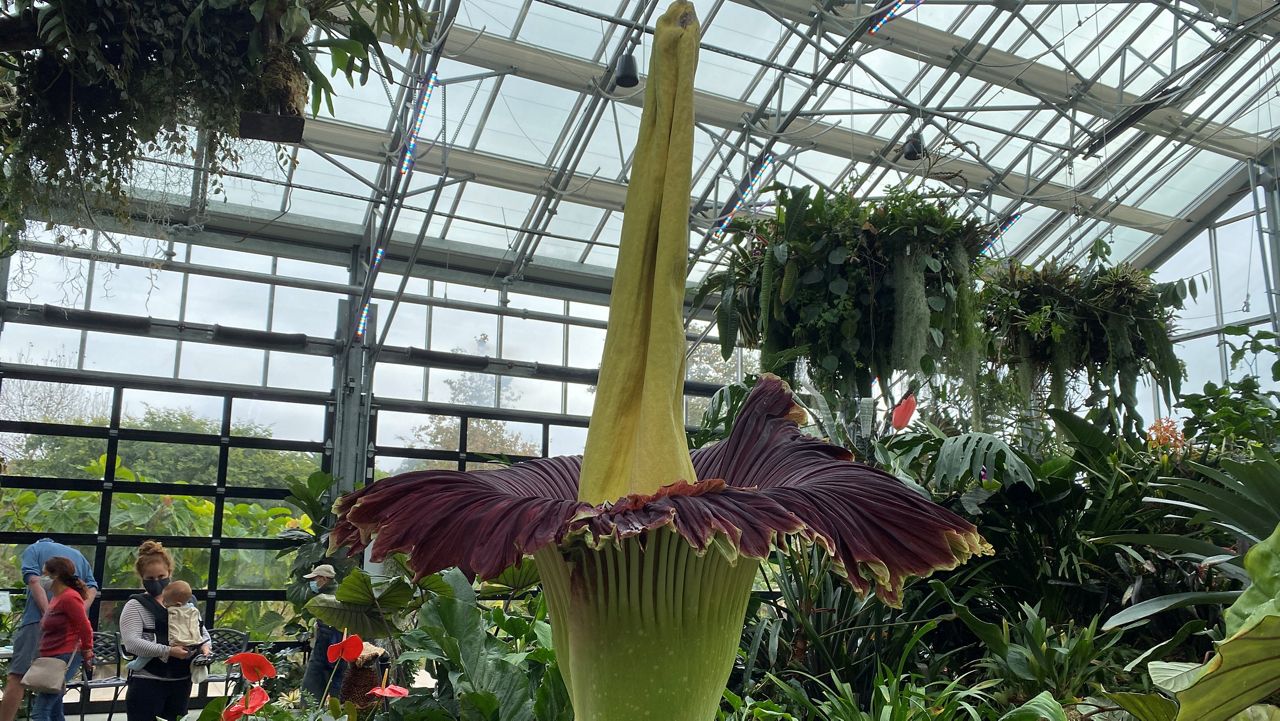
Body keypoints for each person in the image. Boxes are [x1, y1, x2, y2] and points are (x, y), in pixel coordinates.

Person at [0, 539, 98, 721]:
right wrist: (79, 610)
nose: (44, 576)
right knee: (53, 703)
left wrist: (49, 613)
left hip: (40, 630)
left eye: (46, 573)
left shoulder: (34, 549)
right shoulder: (78, 557)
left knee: (18, 679)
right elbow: (93, 587)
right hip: (63, 644)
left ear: (55, 575)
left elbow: (34, 580)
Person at [119, 541, 211, 721]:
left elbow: (202, 633)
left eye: (161, 576)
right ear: (142, 577)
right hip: (147, 683)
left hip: (181, 682)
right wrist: (168, 651)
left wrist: (205, 648)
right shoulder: (135, 606)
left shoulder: (186, 602)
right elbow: (131, 643)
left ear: (169, 573)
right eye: (150, 579)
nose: (157, 582)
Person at [31, 557, 95, 721]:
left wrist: (88, 652)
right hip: (52, 657)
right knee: (54, 709)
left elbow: (84, 626)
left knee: (40, 711)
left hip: (63, 658)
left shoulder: (69, 597)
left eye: (45, 574)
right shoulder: (56, 597)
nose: (41, 578)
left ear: (56, 575)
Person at [126, 581, 208, 672]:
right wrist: (204, 644)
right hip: (191, 645)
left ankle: (136, 665)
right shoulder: (192, 610)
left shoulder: (172, 611)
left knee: (145, 656)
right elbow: (200, 629)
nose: (164, 603)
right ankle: (200, 670)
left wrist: (169, 651)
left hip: (172, 644)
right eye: (151, 578)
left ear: (177, 604)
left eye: (165, 601)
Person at [299, 564, 345, 703]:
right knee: (336, 697)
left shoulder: (330, 600)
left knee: (310, 693)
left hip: (326, 653)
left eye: (314, 579)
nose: (312, 583)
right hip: (338, 654)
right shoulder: (336, 594)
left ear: (324, 579)